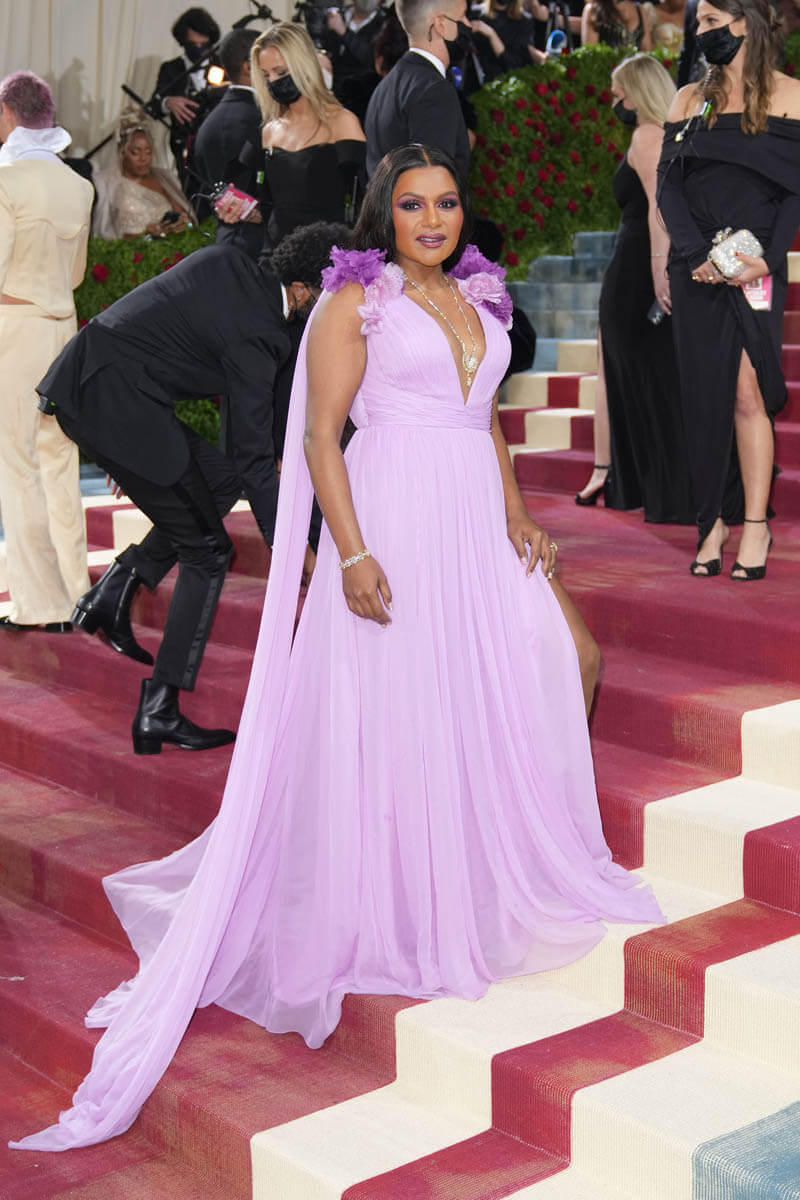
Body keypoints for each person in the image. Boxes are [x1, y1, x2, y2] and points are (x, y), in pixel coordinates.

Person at [10, 144, 664, 1154]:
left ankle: (501, 850)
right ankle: (414, 884)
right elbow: (320, 436)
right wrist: (349, 552)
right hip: (393, 519)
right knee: (407, 704)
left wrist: (515, 514)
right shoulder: (356, 301)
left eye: (446, 203)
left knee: (558, 659)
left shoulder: (480, 295)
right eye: (412, 205)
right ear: (382, 215)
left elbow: (485, 422)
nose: (433, 220)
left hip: (472, 521)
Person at [35, 222, 349, 753]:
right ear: (302, 290)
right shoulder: (261, 335)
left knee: (219, 480)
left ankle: (115, 589)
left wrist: (125, 445)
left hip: (103, 387)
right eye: (329, 297)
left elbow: (149, 331)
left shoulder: (227, 262)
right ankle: (159, 707)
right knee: (207, 551)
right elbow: (254, 458)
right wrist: (296, 549)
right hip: (117, 405)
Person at [658, 0, 800, 578]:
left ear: (747, 23)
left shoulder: (792, 95)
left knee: (746, 392)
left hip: (756, 268)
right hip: (695, 268)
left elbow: (796, 191)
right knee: (704, 396)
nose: (702, 31)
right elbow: (668, 186)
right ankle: (711, 522)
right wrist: (696, 255)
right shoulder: (689, 99)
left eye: (713, 21)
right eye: (700, 22)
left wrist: (767, 258)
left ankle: (756, 524)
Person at [576, 54, 693, 523]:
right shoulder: (665, 135)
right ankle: (618, 474)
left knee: (638, 372)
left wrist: (659, 269)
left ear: (638, 92)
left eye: (619, 93)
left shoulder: (647, 135)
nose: (615, 102)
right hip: (639, 264)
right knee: (621, 368)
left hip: (638, 269)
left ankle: (643, 480)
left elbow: (658, 208)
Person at [0, 70, 94, 634]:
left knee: (18, 464)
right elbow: (77, 274)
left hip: (15, 327)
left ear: (9, 114)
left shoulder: (6, 181)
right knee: (59, 460)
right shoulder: (79, 185)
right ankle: (76, 592)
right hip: (63, 328)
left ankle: (40, 603)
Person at [217, 24, 365, 248]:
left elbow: (366, 200)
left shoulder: (342, 122)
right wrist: (244, 210)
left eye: (281, 72)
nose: (273, 81)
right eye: (266, 76)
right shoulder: (267, 131)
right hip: (274, 254)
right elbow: (264, 206)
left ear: (304, 65)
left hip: (329, 254)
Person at [364, 0, 472, 177]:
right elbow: (432, 180)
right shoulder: (434, 90)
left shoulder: (386, 85)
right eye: (462, 16)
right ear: (440, 24)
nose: (469, 25)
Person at [193, 27, 263, 259]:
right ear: (248, 67)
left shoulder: (212, 120)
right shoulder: (252, 119)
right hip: (253, 247)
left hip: (228, 241)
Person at [151, 6, 221, 188]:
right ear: (183, 42)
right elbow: (153, 106)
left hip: (220, 145)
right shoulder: (171, 69)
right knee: (192, 192)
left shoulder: (224, 64)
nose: (199, 49)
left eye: (203, 45)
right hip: (185, 147)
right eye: (193, 45)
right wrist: (168, 102)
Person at [92, 118, 196, 240]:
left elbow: (184, 217)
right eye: (135, 152)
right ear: (121, 151)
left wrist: (182, 223)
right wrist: (144, 235)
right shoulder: (106, 184)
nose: (143, 159)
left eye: (148, 152)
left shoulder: (164, 178)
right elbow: (104, 233)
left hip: (169, 246)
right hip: (129, 249)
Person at [466, 0, 547, 93]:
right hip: (471, 83)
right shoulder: (475, 14)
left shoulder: (523, 22)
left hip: (502, 88)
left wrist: (492, 35)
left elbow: (514, 65)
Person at [324, 0, 388, 97]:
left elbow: (372, 58)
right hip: (329, 89)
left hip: (360, 95)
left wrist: (344, 32)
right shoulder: (337, 13)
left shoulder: (385, 24)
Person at [580, 0, 654, 46]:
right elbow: (591, 52)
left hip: (636, 66)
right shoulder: (593, 10)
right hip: (608, 66)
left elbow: (647, 50)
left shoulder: (640, 9)